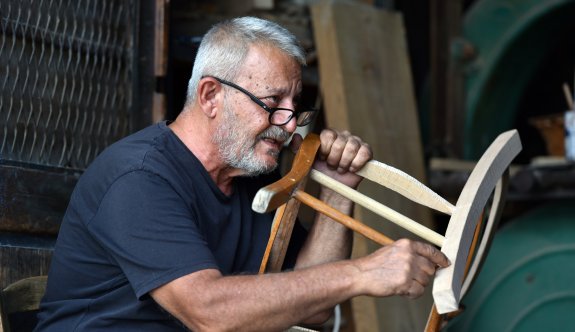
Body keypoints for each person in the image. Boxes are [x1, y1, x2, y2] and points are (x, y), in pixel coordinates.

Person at [35, 16, 448, 331]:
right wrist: (362, 272)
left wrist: (339, 191)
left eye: (294, 104)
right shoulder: (138, 177)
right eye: (272, 102)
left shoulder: (252, 179)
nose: (289, 125)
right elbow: (209, 313)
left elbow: (314, 305)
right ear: (211, 95)